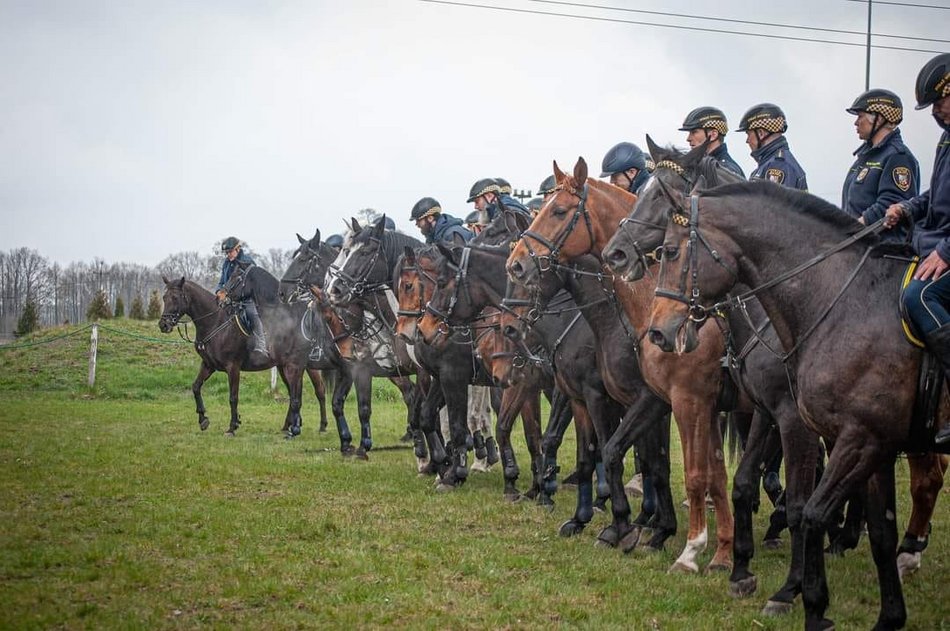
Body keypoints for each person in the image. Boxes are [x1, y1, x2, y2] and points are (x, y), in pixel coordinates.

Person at [886, 53, 950, 445]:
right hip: (933, 242)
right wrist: (908, 207)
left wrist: (947, 251)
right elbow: (938, 196)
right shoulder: (947, 138)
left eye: (939, 102)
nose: (935, 113)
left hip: (946, 249)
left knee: (919, 296)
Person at [843, 89, 920, 240]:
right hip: (858, 246)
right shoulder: (864, 157)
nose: (856, 122)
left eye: (860, 116)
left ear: (878, 119)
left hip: (880, 252)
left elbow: (892, 203)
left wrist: (852, 230)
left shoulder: (898, 156)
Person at [215, 237, 268, 356]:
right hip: (230, 298)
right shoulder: (226, 263)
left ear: (238, 249)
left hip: (246, 299)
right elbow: (222, 281)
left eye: (230, 251)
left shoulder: (247, 261)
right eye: (226, 253)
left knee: (252, 315)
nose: (228, 255)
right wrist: (218, 290)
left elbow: (255, 282)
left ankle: (261, 345)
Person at [737, 103, 808, 190]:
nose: (747, 141)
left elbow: (770, 203)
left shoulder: (779, 167)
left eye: (748, 134)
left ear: (761, 133)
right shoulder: (771, 163)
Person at [679, 106, 745, 177]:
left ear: (713, 135)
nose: (688, 138)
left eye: (694, 132)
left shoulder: (727, 170)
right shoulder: (703, 166)